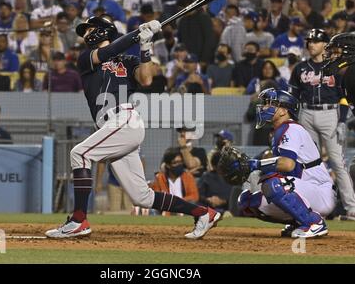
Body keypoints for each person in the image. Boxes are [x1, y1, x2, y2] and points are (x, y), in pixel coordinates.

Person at [45, 16, 220, 239]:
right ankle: (204, 213)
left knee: (79, 154)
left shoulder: (127, 59)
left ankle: (79, 220)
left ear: (104, 30)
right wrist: (137, 34)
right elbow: (108, 53)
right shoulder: (86, 58)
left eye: (90, 29)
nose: (86, 34)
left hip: (124, 119)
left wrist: (145, 45)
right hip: (112, 126)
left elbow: (146, 79)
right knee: (142, 197)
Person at [235, 88, 336, 238]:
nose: (263, 107)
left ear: (283, 111)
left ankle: (313, 223)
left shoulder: (291, 128)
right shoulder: (281, 131)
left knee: (273, 184)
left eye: (269, 104)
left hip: (320, 191)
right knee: (249, 202)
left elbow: (288, 165)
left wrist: (255, 164)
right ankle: (298, 221)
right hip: (305, 190)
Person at [289, 28, 355, 221]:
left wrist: (342, 120)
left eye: (316, 41)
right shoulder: (301, 68)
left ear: (324, 44)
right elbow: (293, 96)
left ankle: (351, 207)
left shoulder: (339, 67)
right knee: (308, 163)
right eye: (309, 41)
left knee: (337, 162)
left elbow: (344, 96)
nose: (311, 44)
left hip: (330, 113)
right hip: (307, 112)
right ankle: (309, 206)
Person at [152, 147, 200, 215]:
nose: (179, 165)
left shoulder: (188, 176)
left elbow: (194, 196)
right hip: (165, 209)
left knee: (192, 204)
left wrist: (177, 202)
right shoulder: (159, 178)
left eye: (180, 162)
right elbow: (156, 198)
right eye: (175, 163)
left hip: (184, 208)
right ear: (168, 165)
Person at [177, 0, 216, 70]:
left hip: (202, 61)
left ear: (188, 6)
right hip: (186, 61)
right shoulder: (182, 21)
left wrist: (204, 60)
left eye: (181, 9)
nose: (180, 11)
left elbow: (209, 40)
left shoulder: (204, 18)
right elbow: (181, 41)